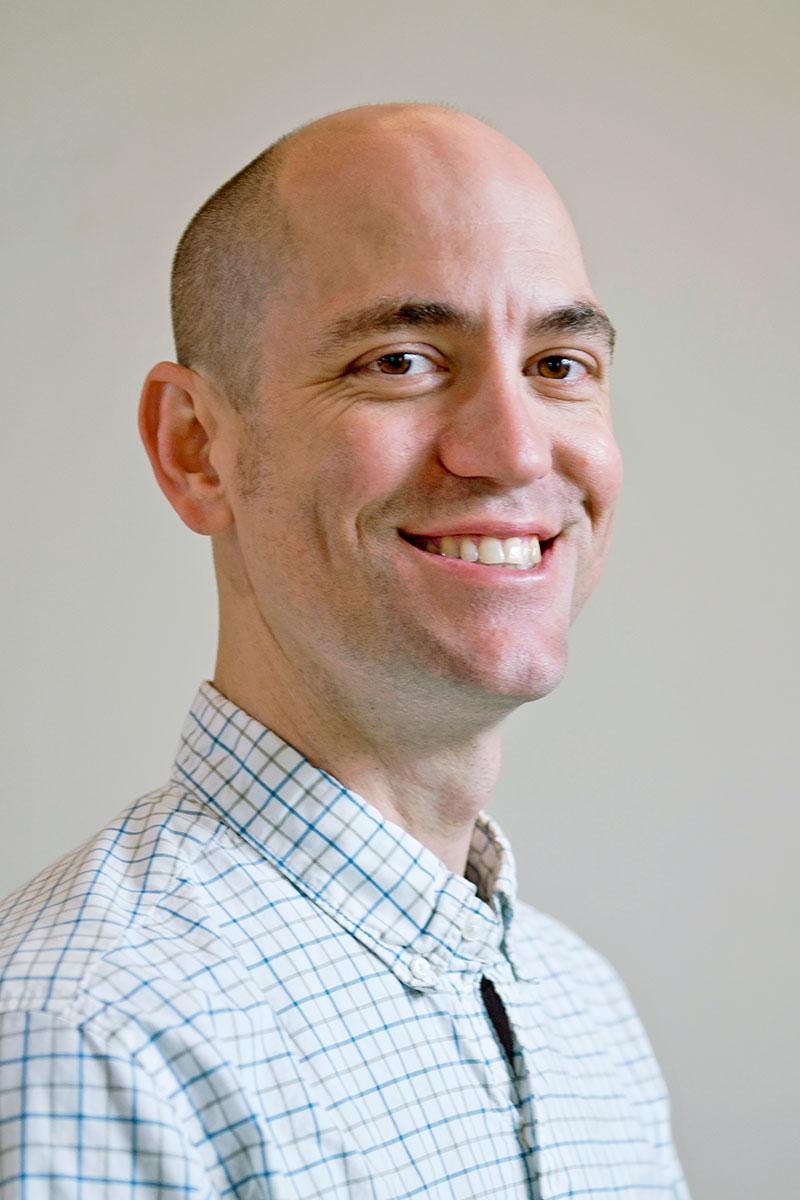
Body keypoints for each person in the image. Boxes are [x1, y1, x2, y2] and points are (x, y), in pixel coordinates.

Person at [0, 104, 690, 1198]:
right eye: (403, 360)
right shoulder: (93, 1038)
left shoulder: (582, 1014)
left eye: (558, 362)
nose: (513, 447)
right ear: (196, 450)